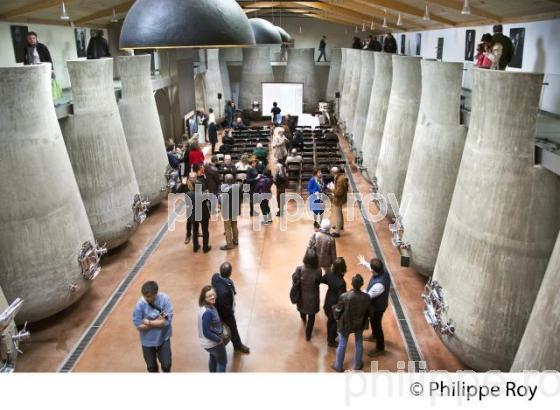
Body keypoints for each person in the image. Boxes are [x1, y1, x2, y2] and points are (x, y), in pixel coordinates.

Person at [132, 281, 174, 373]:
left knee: (166, 365)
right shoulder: (140, 305)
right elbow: (138, 326)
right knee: (151, 367)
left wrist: (148, 322)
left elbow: (167, 322)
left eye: (148, 296)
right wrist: (158, 322)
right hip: (147, 341)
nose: (145, 299)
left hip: (163, 338)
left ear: (156, 294)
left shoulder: (165, 299)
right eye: (144, 296)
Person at [331, 274, 370, 372]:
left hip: (346, 323)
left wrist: (336, 317)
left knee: (342, 343)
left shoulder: (345, 296)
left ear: (352, 284)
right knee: (359, 342)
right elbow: (369, 311)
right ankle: (357, 365)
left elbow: (339, 310)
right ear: (362, 284)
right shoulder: (366, 297)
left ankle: (338, 366)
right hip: (360, 323)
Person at [211, 262, 251, 353]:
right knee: (232, 328)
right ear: (230, 273)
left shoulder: (215, 276)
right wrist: (230, 314)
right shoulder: (224, 293)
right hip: (225, 313)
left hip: (220, 306)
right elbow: (225, 308)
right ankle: (237, 346)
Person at [293, 248, 322, 341]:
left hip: (301, 296)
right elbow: (318, 281)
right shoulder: (318, 270)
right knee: (312, 316)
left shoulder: (299, 269)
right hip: (313, 297)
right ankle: (308, 335)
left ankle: (303, 318)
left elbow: (294, 279)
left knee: (302, 310)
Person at [197, 285, 227, 372]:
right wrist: (218, 340)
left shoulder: (205, 307)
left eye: (213, 294)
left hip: (207, 343)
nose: (213, 297)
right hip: (213, 343)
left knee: (213, 357)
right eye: (209, 296)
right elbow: (206, 332)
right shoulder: (208, 312)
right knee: (222, 362)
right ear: (204, 298)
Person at [366, 258, 391, 357]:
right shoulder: (383, 272)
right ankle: (374, 335)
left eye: (371, 269)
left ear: (374, 271)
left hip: (378, 308)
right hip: (377, 305)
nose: (370, 270)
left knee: (377, 325)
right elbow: (370, 267)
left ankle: (380, 347)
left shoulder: (379, 285)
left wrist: (357, 292)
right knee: (373, 321)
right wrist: (365, 263)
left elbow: (368, 295)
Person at [321, 257, 347, 347]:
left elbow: (323, 280)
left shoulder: (329, 274)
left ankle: (331, 336)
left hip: (328, 300)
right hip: (335, 305)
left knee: (330, 320)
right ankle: (331, 341)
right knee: (334, 323)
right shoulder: (342, 282)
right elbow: (342, 297)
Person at [187, 174, 211, 253]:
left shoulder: (189, 194)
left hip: (194, 214)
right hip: (204, 214)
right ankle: (205, 247)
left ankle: (195, 247)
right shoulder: (203, 194)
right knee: (205, 231)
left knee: (195, 231)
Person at [220, 174, 241, 250]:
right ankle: (236, 241)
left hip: (227, 211)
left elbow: (222, 201)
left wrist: (220, 197)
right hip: (235, 210)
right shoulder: (238, 187)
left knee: (227, 228)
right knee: (234, 225)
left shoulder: (226, 190)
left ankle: (229, 244)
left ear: (226, 181)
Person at [330, 167, 349, 237]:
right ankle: (340, 225)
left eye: (331, 172)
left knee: (338, 215)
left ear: (333, 172)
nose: (331, 174)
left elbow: (338, 193)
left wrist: (331, 189)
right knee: (340, 213)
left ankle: (337, 232)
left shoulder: (340, 180)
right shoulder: (340, 177)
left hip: (338, 199)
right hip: (340, 199)